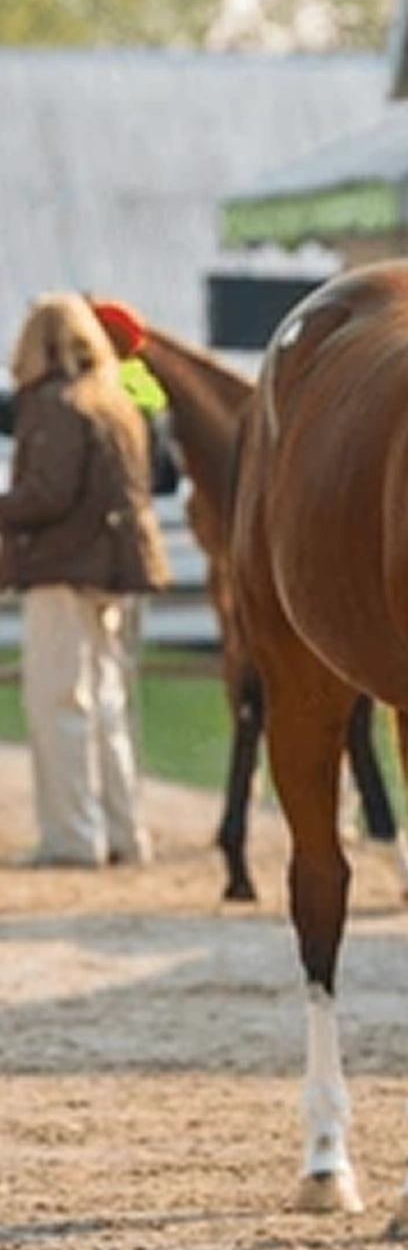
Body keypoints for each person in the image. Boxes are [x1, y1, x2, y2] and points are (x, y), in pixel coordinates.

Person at [0, 293, 169, 867]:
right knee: (106, 703)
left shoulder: (53, 403)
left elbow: (47, 494)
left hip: (61, 568)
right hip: (110, 571)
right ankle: (123, 831)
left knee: (59, 702)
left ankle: (73, 837)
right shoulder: (115, 402)